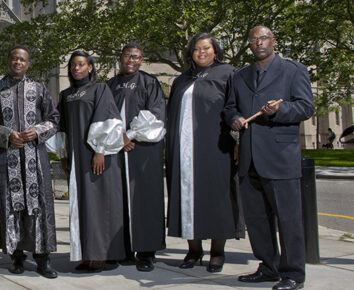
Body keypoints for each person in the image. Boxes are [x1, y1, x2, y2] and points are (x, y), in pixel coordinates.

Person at [223, 25, 314, 290]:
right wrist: (235, 119)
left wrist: (280, 110)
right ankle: (268, 266)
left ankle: (293, 274)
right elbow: (230, 107)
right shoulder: (239, 76)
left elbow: (305, 106)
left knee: (288, 219)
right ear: (249, 45)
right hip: (250, 157)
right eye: (253, 40)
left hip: (280, 158)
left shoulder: (293, 70)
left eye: (263, 38)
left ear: (273, 40)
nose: (258, 43)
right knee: (257, 219)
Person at [166, 32, 245, 273]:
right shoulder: (181, 80)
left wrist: (238, 141)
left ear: (215, 51)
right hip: (182, 149)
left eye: (206, 48)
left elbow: (235, 109)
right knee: (186, 196)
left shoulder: (228, 74)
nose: (201, 52)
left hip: (215, 147)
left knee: (215, 197)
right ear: (190, 53)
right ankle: (194, 249)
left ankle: (217, 251)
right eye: (197, 49)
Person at [0, 45, 60, 279]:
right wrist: (7, 135)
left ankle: (43, 259)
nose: (18, 62)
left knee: (39, 206)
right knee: (13, 206)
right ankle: (16, 257)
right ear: (8, 61)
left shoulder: (39, 88)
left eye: (22, 59)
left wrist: (37, 131)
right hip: (9, 159)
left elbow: (54, 119)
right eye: (14, 58)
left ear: (28, 63)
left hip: (36, 159)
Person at [47, 51, 126, 272]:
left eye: (81, 64)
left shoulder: (100, 89)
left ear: (90, 67)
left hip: (96, 157)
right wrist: (62, 154)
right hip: (76, 158)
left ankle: (100, 255)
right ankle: (84, 253)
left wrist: (100, 151)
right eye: (73, 65)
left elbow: (107, 118)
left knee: (99, 204)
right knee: (81, 206)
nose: (76, 68)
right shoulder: (66, 95)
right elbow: (60, 126)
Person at [106, 43, 167, 272]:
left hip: (143, 151)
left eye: (137, 57)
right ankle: (121, 250)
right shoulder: (109, 85)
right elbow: (103, 118)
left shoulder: (149, 83)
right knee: (118, 201)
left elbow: (154, 118)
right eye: (128, 56)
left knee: (145, 201)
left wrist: (128, 135)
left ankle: (146, 252)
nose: (132, 60)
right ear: (120, 57)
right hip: (116, 150)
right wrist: (118, 138)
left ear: (142, 60)